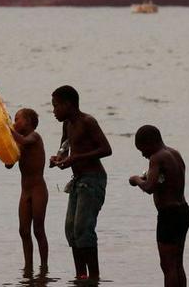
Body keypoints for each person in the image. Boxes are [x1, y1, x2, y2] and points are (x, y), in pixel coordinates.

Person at [48, 85, 112, 280]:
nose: (54, 111)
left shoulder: (87, 122)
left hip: (93, 180)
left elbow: (106, 149)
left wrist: (77, 158)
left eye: (56, 106)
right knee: (71, 230)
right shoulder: (67, 124)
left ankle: (94, 276)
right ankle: (80, 276)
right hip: (78, 180)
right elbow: (64, 148)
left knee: (84, 229)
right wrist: (58, 159)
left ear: (68, 104)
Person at [128, 125, 188, 287]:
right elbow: (168, 180)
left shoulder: (157, 157)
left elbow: (148, 187)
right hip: (183, 211)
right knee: (177, 263)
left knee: (167, 265)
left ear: (150, 143)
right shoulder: (174, 154)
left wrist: (136, 180)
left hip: (168, 215)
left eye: (142, 150)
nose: (143, 154)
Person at [7, 107, 49, 276]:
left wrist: (5, 127)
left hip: (38, 190)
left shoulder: (34, 137)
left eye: (18, 119)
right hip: (25, 192)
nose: (15, 123)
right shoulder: (19, 143)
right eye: (14, 119)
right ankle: (28, 267)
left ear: (29, 122)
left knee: (38, 229)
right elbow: (8, 164)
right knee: (23, 230)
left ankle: (44, 267)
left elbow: (24, 142)